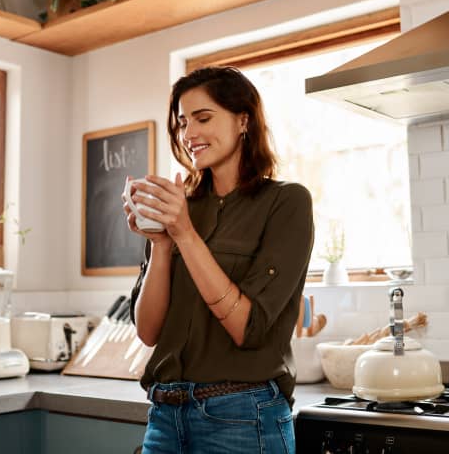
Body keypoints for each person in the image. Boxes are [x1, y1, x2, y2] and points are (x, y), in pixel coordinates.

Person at [122, 66, 314, 453]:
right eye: (182, 122)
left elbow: (248, 328)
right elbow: (148, 332)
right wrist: (161, 244)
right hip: (164, 416)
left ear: (243, 119)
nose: (188, 134)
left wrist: (184, 234)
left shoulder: (287, 203)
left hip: (242, 416)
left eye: (203, 118)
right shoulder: (179, 209)